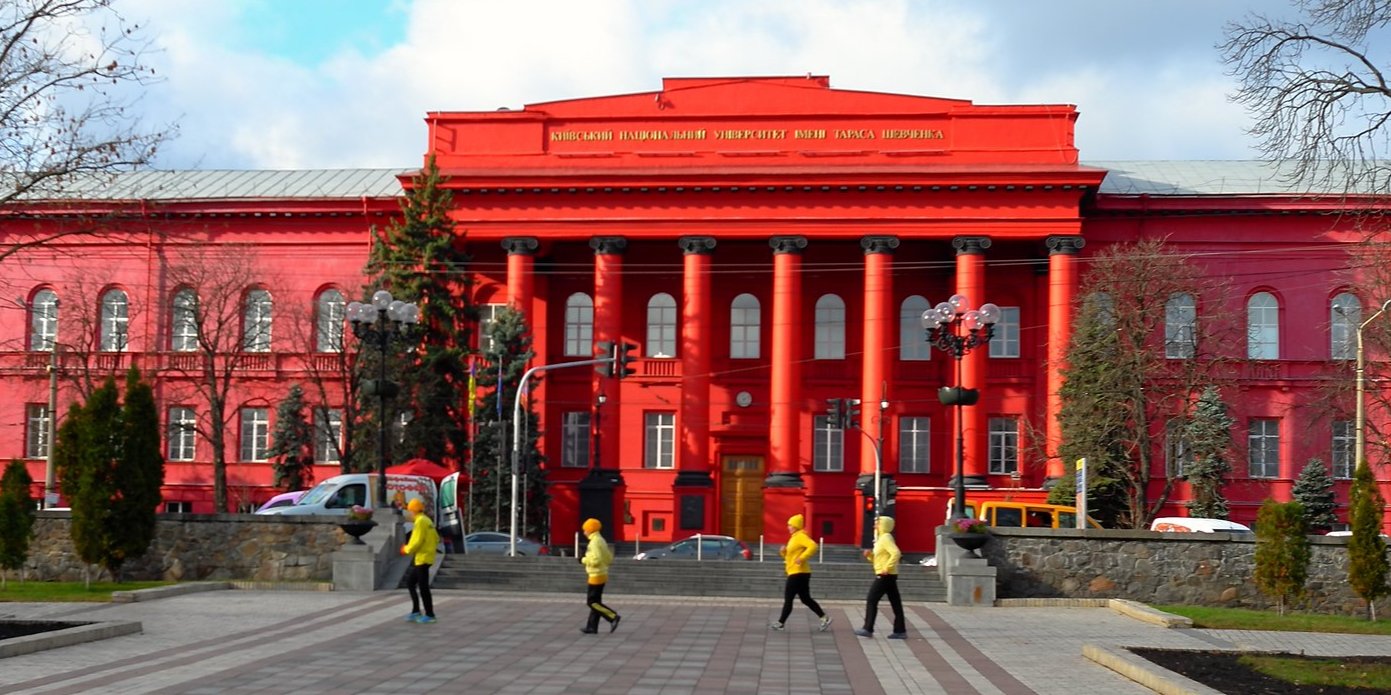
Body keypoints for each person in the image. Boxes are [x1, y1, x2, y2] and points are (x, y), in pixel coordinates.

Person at [771, 513, 832, 632]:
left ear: (796, 526)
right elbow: (791, 556)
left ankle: (780, 623)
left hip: (797, 573)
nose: (788, 527)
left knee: (789, 598)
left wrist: (803, 558)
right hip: (800, 572)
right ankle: (824, 617)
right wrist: (783, 552)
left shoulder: (800, 536)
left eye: (790, 525)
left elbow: (813, 546)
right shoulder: (794, 537)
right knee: (805, 599)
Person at [855, 515, 907, 639]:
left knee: (872, 599)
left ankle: (868, 628)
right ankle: (900, 630)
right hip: (889, 575)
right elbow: (880, 558)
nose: (875, 526)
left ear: (884, 525)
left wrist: (886, 568)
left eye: (877, 523)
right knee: (896, 603)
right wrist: (870, 556)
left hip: (885, 575)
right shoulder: (882, 538)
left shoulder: (885, 538)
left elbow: (896, 553)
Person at [400, 498, 439, 624]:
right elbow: (436, 538)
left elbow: (416, 541)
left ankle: (430, 614)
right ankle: (416, 611)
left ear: (412, 511)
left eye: (409, 511)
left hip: (422, 558)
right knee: (411, 582)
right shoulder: (427, 520)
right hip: (427, 557)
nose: (409, 514)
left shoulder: (420, 522)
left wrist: (406, 549)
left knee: (423, 587)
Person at [579, 517, 621, 634]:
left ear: (590, 530)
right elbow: (608, 557)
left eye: (585, 530)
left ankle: (612, 616)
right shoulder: (600, 540)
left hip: (596, 574)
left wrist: (583, 560)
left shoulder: (594, 542)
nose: (584, 532)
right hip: (602, 573)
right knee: (596, 602)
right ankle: (592, 627)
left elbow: (596, 559)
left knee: (592, 602)